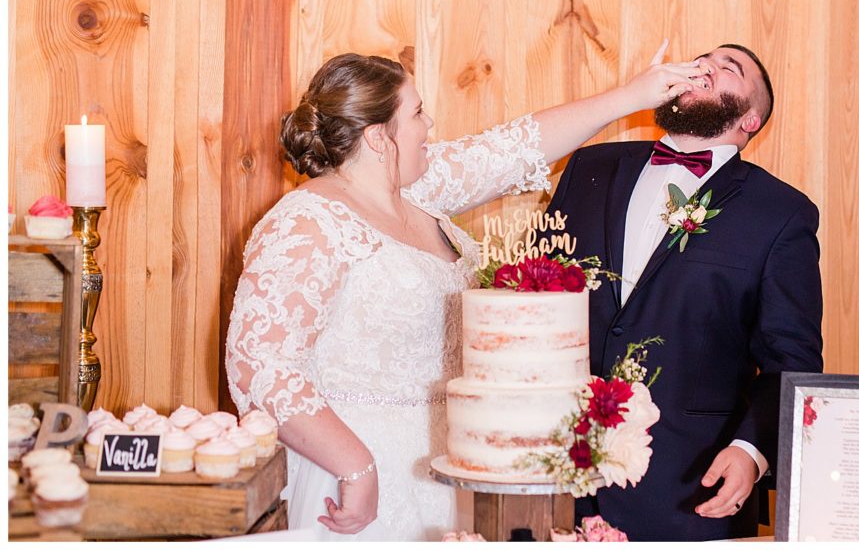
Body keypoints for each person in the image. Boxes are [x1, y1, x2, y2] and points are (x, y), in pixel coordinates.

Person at [224, 45, 702, 540]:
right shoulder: (306, 222)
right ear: (378, 138)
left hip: (452, 470)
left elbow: (518, 148)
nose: (430, 124)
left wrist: (632, 96)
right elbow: (260, 363)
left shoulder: (420, 191)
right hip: (355, 476)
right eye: (417, 112)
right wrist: (355, 466)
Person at [546, 44, 824, 541]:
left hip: (686, 489)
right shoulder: (586, 167)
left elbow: (793, 360)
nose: (706, 68)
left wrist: (751, 451)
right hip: (553, 475)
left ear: (752, 120)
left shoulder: (781, 213)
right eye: (703, 61)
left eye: (729, 69)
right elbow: (536, 296)